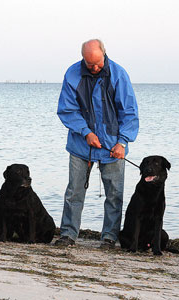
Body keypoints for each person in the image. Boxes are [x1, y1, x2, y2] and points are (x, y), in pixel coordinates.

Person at [55, 39, 139, 249]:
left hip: (113, 148)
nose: (94, 68)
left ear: (104, 54)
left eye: (97, 63)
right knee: (74, 192)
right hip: (80, 145)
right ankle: (68, 235)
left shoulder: (119, 74)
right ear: (83, 58)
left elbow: (129, 111)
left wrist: (123, 142)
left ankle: (109, 238)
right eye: (89, 63)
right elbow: (67, 109)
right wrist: (86, 132)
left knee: (114, 194)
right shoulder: (72, 74)